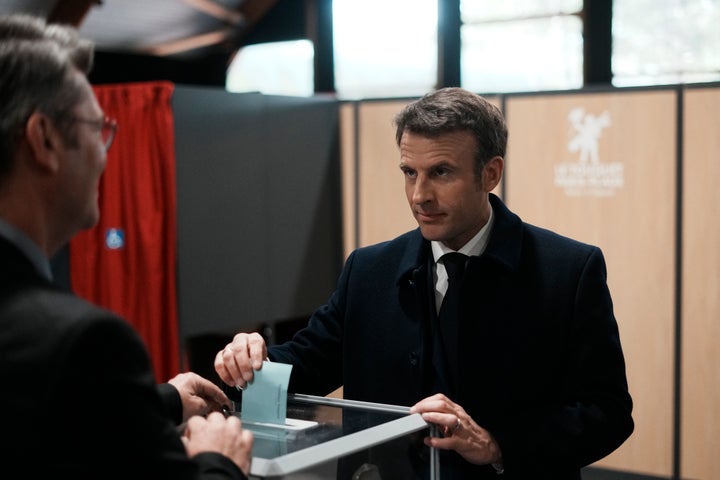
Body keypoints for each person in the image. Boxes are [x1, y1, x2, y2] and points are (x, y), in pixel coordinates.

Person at [216, 87, 634, 478]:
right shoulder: (368, 268)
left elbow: (608, 413)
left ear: (490, 173)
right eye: (409, 172)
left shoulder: (570, 271)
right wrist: (252, 363)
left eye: (440, 172)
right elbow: (308, 362)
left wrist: (497, 443)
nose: (419, 195)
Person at [0, 14, 253, 479]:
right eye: (97, 128)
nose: (105, 152)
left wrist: (162, 399)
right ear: (44, 139)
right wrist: (220, 461)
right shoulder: (85, 341)